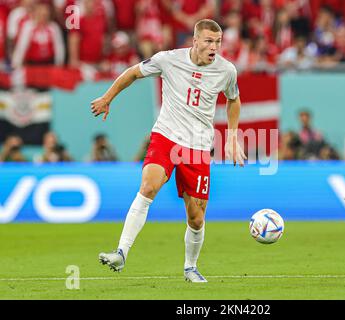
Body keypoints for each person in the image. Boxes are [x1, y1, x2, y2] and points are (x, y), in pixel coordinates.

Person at [91, 19, 246, 283]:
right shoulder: (168, 60)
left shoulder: (226, 71)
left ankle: (190, 267)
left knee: (196, 218)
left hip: (197, 146)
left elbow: (233, 100)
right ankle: (121, 252)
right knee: (149, 186)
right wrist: (107, 98)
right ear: (194, 40)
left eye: (218, 42)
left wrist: (232, 136)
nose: (214, 47)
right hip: (166, 137)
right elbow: (132, 73)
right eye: (208, 41)